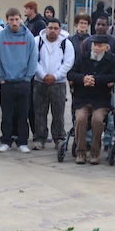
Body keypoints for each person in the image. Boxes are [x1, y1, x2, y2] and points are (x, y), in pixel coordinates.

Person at [67, 34, 115, 165]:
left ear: (106, 47)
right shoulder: (82, 58)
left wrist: (96, 80)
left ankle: (95, 153)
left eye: (100, 46)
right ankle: (81, 152)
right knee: (80, 119)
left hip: (101, 100)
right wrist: (83, 79)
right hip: (82, 99)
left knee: (97, 120)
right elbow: (71, 74)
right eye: (94, 45)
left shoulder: (112, 60)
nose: (96, 48)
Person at [0, 8, 38, 153]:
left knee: (23, 114)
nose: (14, 22)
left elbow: (33, 58)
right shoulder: (0, 37)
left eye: (17, 19)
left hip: (23, 81)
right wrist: (1, 77)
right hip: (6, 81)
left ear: (21, 19)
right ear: (7, 20)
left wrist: (28, 78)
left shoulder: (28, 36)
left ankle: (22, 141)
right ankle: (6, 140)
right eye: (11, 19)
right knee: (7, 114)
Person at [31, 18, 75, 151]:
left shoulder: (66, 44)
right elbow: (33, 60)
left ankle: (59, 138)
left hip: (58, 83)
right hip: (40, 82)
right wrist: (42, 75)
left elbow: (68, 63)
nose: (53, 31)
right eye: (50, 28)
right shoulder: (37, 41)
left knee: (58, 112)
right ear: (46, 28)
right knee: (39, 112)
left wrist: (55, 76)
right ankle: (40, 138)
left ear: (60, 30)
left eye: (56, 28)